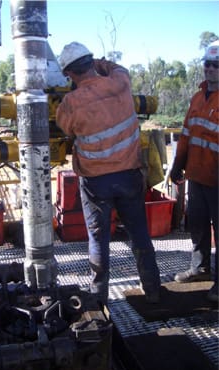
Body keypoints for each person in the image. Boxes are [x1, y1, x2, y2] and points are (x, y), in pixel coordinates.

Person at [56, 42, 161, 305]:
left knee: (99, 240)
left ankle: (98, 297)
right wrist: (102, 64)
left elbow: (64, 127)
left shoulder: (71, 103)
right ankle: (153, 290)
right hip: (129, 176)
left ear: (69, 74)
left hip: (96, 183)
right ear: (92, 63)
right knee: (139, 235)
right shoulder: (120, 82)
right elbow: (118, 68)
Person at [170, 40, 219, 303]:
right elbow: (187, 135)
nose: (209, 69)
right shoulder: (198, 98)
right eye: (207, 64)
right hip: (197, 176)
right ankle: (200, 269)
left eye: (216, 65)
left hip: (217, 178)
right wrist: (178, 165)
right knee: (198, 224)